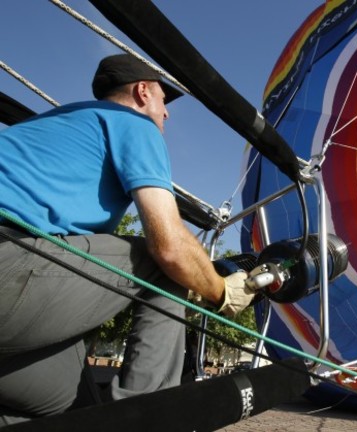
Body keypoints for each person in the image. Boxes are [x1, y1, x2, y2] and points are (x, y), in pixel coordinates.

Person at [0, 54, 256, 425]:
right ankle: (147, 417)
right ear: (142, 92)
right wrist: (221, 292)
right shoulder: (133, 123)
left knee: (61, 400)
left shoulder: (54, 124)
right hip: (11, 259)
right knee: (163, 263)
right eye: (163, 101)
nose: (166, 114)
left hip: (22, 283)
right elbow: (169, 248)